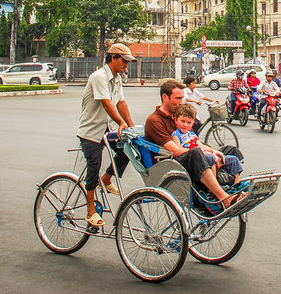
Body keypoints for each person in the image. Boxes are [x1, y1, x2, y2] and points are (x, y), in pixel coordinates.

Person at [145, 80, 245, 209]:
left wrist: (213, 151)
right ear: (165, 97)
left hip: (190, 154)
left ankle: (234, 188)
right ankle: (223, 197)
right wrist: (204, 153)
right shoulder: (155, 121)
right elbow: (175, 150)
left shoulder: (178, 115)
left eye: (182, 98)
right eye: (178, 98)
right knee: (196, 153)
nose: (181, 102)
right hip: (171, 162)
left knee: (231, 150)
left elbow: (195, 141)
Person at [77, 43, 137, 228]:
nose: (127, 65)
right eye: (124, 61)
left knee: (129, 149)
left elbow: (121, 103)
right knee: (93, 166)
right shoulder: (99, 77)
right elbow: (106, 103)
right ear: (113, 58)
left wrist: (130, 125)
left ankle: (107, 179)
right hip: (91, 130)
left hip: (107, 128)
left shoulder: (117, 78)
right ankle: (90, 211)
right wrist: (120, 122)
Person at [172, 104, 242, 185]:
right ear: (176, 120)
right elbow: (178, 151)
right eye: (182, 121)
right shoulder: (176, 135)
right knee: (211, 158)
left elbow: (201, 145)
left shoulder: (192, 134)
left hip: (205, 154)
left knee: (234, 159)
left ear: (192, 123)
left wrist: (213, 151)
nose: (185, 125)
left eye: (188, 122)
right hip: (195, 159)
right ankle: (214, 186)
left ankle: (236, 184)